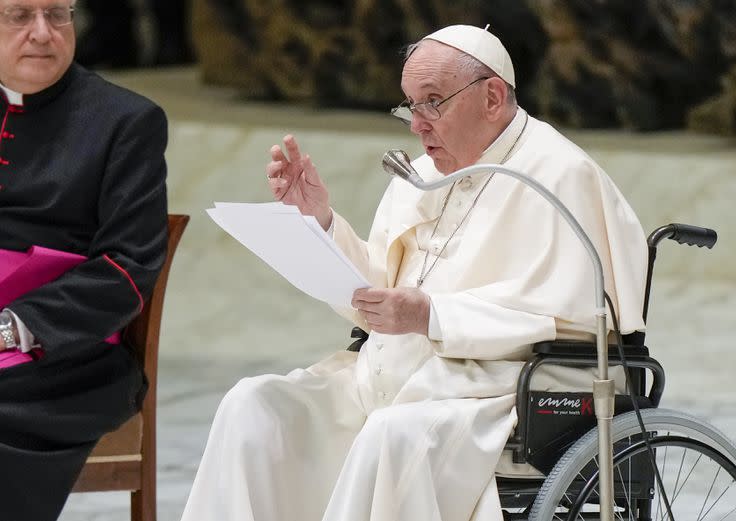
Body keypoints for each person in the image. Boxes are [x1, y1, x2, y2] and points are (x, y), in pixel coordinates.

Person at [181, 24, 648, 521]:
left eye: (432, 102)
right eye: (409, 105)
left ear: (491, 97)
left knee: (391, 436)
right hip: (386, 379)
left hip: (494, 395)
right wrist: (318, 222)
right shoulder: (423, 174)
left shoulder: (559, 175)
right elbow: (375, 293)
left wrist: (433, 316)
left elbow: (568, 317)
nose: (417, 125)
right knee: (252, 405)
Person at [0, 0, 168, 519]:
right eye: (19, 16)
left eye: (58, 14)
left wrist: (12, 328)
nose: (43, 33)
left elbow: (129, 266)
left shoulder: (126, 120)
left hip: (66, 351)